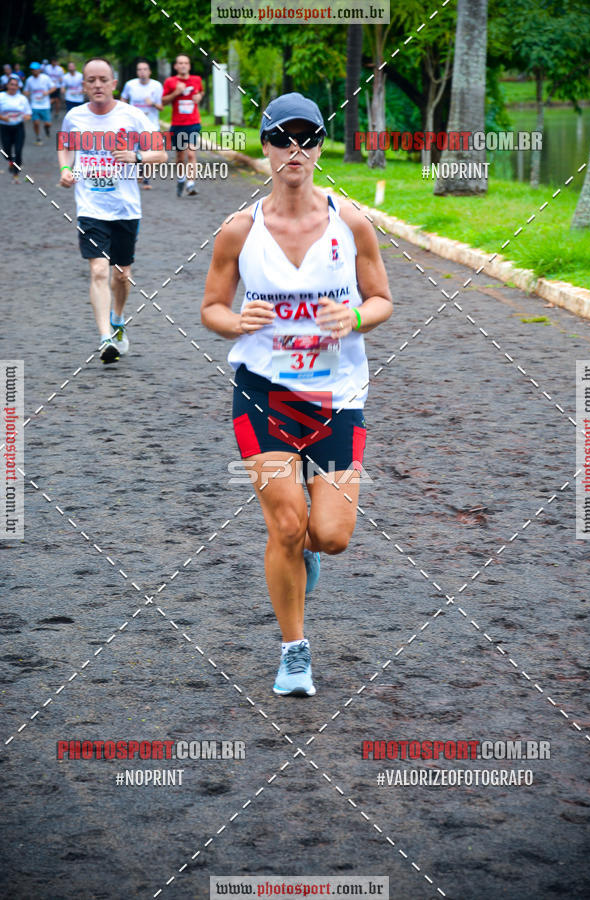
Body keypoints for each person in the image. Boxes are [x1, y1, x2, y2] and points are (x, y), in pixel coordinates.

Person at [201, 93, 393, 697]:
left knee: (330, 535)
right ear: (265, 147)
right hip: (263, 394)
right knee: (286, 525)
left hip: (337, 395)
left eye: (307, 138)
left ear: (319, 147)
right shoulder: (239, 231)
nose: (295, 149)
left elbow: (383, 300)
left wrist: (355, 320)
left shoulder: (351, 222)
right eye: (282, 138)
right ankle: (294, 653)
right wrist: (239, 322)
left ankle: (305, 553)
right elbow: (210, 309)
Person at [57, 57, 167, 364]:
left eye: (102, 79)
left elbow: (160, 153)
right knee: (98, 270)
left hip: (125, 207)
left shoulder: (132, 117)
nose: (97, 85)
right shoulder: (74, 118)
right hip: (90, 207)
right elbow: (65, 146)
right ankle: (105, 337)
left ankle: (118, 319)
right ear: (83, 86)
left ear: (114, 83)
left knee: (122, 275)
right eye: (90, 80)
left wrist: (136, 158)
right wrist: (66, 168)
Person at [162, 54, 203, 197]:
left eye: (186, 63)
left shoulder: (196, 80)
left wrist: (199, 97)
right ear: (176, 66)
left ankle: (191, 184)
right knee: (180, 157)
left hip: (193, 123)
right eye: (180, 63)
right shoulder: (170, 81)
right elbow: (164, 101)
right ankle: (181, 179)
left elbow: (200, 92)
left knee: (191, 154)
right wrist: (176, 92)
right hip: (177, 125)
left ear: (189, 66)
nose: (183, 65)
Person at [121, 59, 163, 189]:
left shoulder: (156, 86)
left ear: (149, 72)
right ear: (137, 72)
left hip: (152, 124)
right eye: (139, 69)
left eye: (145, 69)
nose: (142, 72)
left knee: (151, 152)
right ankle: (136, 174)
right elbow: (123, 99)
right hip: (133, 126)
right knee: (134, 151)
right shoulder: (130, 85)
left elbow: (161, 107)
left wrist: (152, 104)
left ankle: (146, 179)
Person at [0, 76, 32, 182]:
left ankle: (15, 174)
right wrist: (3, 117)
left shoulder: (22, 98)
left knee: (18, 151)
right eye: (11, 84)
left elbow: (28, 114)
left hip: (18, 127)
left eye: (16, 85)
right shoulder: (1, 96)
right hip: (5, 128)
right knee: (7, 152)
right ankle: (10, 162)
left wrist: (25, 117)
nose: (13, 87)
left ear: (18, 87)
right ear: (7, 85)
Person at [24, 63, 53, 143]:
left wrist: (47, 92)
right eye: (32, 70)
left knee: (48, 124)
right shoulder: (29, 80)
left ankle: (46, 128)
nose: (34, 71)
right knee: (36, 123)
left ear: (39, 70)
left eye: (36, 69)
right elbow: (26, 90)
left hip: (45, 105)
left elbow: (53, 87)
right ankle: (38, 137)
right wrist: (26, 93)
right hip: (34, 105)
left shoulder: (45, 78)